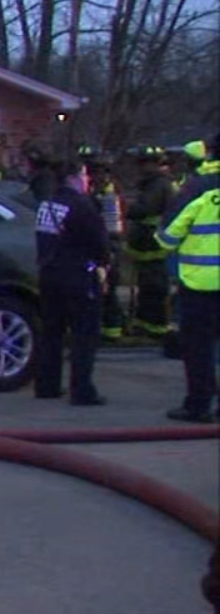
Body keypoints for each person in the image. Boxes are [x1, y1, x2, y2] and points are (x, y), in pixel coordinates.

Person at [33, 156, 112, 406]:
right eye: (84, 176)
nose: (87, 180)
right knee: (83, 336)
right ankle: (82, 390)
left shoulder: (47, 205)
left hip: (49, 274)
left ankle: (47, 385)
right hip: (78, 276)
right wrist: (104, 263)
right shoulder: (83, 206)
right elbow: (99, 244)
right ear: (74, 178)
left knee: (51, 333)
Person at [158, 132, 220, 423]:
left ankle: (199, 405)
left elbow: (167, 237)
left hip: (199, 284)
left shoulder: (197, 188)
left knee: (198, 348)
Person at [125, 145, 175, 338]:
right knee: (147, 285)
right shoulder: (152, 183)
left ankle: (156, 328)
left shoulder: (159, 184)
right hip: (146, 242)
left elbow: (144, 209)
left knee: (154, 286)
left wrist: (127, 207)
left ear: (157, 163)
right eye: (142, 163)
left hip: (153, 243)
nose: (143, 167)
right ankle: (145, 324)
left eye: (147, 163)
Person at [78, 145, 127, 340]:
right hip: (99, 244)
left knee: (107, 290)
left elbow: (111, 227)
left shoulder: (108, 192)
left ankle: (111, 330)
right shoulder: (95, 189)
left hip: (107, 245)